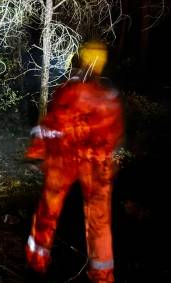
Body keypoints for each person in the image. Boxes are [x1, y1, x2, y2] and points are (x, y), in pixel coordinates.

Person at [24, 40, 124, 283]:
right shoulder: (110, 97)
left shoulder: (71, 90)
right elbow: (114, 134)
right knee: (99, 221)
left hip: (65, 160)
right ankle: (102, 274)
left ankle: (37, 260)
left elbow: (53, 125)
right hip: (97, 164)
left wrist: (37, 153)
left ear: (81, 60)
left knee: (49, 209)